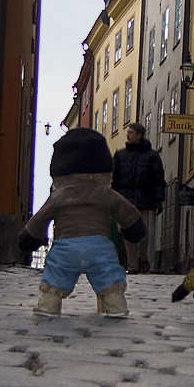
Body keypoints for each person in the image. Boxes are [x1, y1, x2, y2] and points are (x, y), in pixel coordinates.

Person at [17, 127, 146, 318]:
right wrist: (133, 229)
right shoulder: (105, 193)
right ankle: (115, 305)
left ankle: (48, 305)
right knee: (108, 278)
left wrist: (29, 238)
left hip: (65, 248)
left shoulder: (59, 195)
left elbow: (40, 218)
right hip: (99, 246)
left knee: (55, 278)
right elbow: (126, 212)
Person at [112, 122, 166, 274]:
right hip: (125, 200)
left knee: (143, 233)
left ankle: (143, 257)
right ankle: (132, 265)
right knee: (128, 232)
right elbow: (114, 180)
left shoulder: (152, 156)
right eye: (127, 132)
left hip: (145, 200)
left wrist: (159, 199)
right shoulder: (120, 155)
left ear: (139, 135)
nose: (127, 135)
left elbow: (158, 179)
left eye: (131, 133)